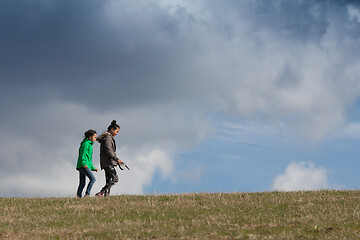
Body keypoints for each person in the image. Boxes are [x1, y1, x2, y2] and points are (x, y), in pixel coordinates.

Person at [95, 120, 123, 197]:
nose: (117, 134)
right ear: (112, 130)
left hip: (105, 162)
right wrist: (117, 159)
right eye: (116, 132)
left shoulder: (106, 138)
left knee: (108, 180)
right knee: (115, 178)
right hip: (108, 162)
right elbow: (109, 151)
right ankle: (102, 192)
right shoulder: (108, 138)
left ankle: (106, 196)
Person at [76, 129, 98, 198]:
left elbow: (89, 159)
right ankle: (87, 194)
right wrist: (83, 163)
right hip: (83, 165)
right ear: (90, 137)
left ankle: (78, 196)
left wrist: (92, 168)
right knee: (93, 179)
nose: (95, 139)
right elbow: (83, 155)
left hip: (84, 165)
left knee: (82, 183)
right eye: (94, 137)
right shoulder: (85, 144)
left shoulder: (89, 145)